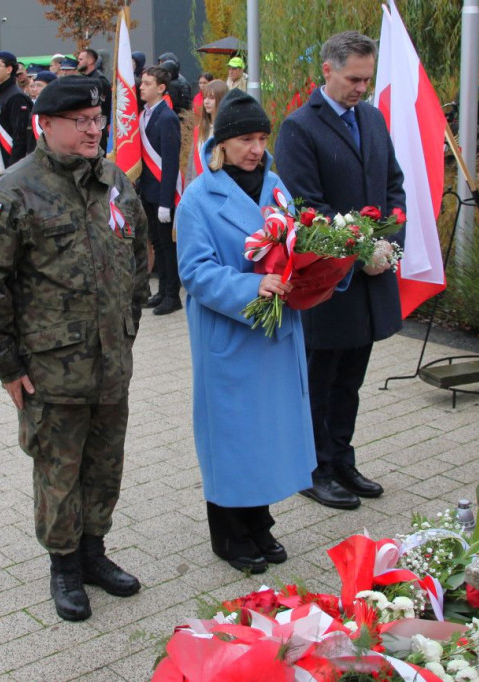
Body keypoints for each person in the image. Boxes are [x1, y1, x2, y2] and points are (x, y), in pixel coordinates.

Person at [0, 75, 149, 622]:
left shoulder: (115, 181)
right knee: (59, 469)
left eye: (98, 120)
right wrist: (6, 366)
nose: (94, 130)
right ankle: (64, 567)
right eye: (81, 122)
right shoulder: (14, 192)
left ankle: (94, 554)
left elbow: (139, 256)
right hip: (52, 370)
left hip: (111, 363)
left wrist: (127, 324)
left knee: (105, 466)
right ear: (45, 125)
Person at [176, 88, 314, 574]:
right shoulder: (199, 197)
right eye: (246, 139)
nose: (256, 148)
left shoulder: (276, 185)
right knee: (232, 436)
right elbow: (193, 272)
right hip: (232, 335)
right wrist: (251, 288)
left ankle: (261, 523)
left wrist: (315, 271)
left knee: (267, 434)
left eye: (261, 137)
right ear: (223, 143)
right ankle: (230, 536)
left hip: (276, 334)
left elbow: (294, 244)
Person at [275, 30, 406, 510]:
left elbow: (393, 185)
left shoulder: (371, 118)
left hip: (370, 278)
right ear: (327, 70)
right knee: (321, 379)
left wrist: (389, 245)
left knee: (351, 377)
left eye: (367, 80)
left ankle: (342, 457)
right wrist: (358, 250)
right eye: (353, 78)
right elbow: (306, 204)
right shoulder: (298, 128)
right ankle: (314, 467)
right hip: (330, 281)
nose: (361, 89)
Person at [138, 66, 183, 316]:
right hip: (148, 191)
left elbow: (170, 162)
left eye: (147, 83)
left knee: (167, 246)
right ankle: (162, 290)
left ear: (161, 88)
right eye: (141, 82)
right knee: (156, 241)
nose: (141, 87)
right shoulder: (144, 115)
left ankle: (172, 295)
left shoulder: (167, 117)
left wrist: (167, 201)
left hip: (163, 194)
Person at [0, 51, 33, 168]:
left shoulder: (16, 96)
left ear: (9, 69)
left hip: (11, 161)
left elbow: (20, 136)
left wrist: (13, 166)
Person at [186, 79, 227, 185]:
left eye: (212, 98)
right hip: (198, 188)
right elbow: (191, 168)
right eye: (205, 97)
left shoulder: (228, 131)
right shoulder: (199, 130)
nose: (206, 101)